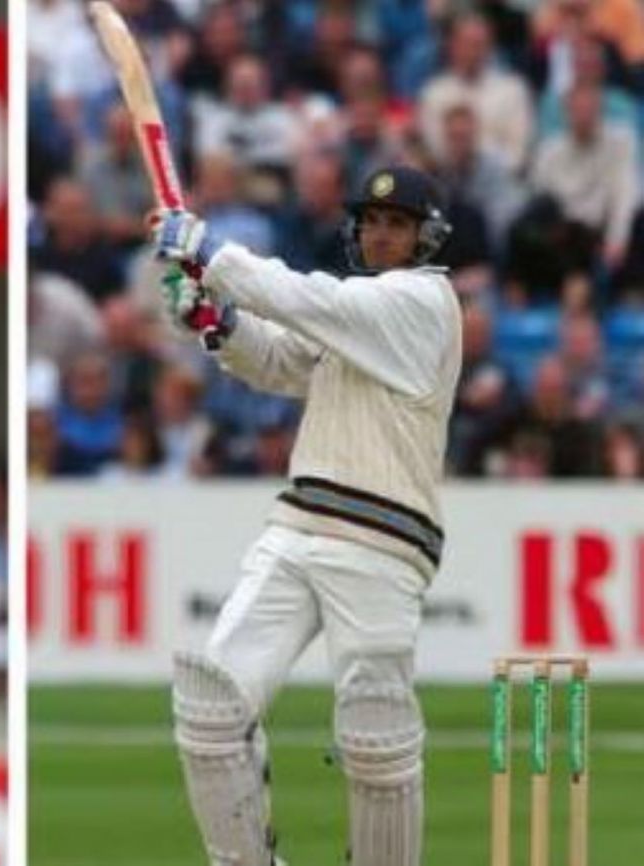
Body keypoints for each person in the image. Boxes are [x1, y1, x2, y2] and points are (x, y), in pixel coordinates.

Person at [148, 165, 460, 866]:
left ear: (424, 237)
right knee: (210, 702)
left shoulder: (422, 303)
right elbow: (282, 360)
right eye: (373, 223)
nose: (381, 235)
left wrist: (210, 254)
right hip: (299, 523)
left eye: (397, 225)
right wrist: (216, 323)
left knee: (374, 730)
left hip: (383, 541)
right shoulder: (355, 320)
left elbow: (306, 301)